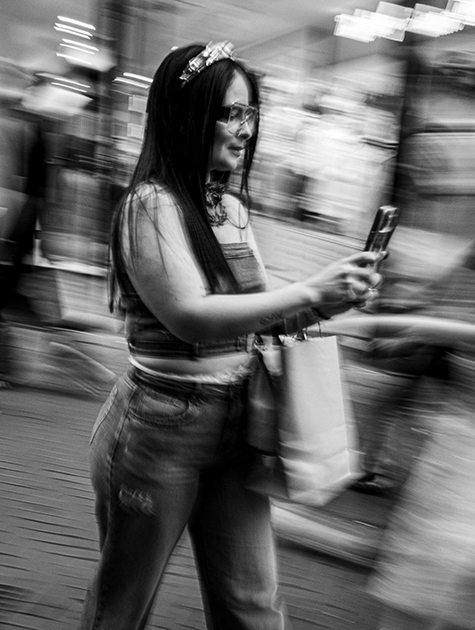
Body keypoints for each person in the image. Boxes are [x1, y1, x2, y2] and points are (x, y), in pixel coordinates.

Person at [77, 41, 383, 630]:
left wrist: (332, 299)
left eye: (251, 114)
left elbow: (255, 319)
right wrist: (310, 291)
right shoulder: (149, 205)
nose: (245, 130)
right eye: (231, 114)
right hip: (160, 424)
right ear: (187, 115)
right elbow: (191, 316)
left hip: (237, 421)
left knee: (252, 605)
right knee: (123, 606)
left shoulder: (232, 209)